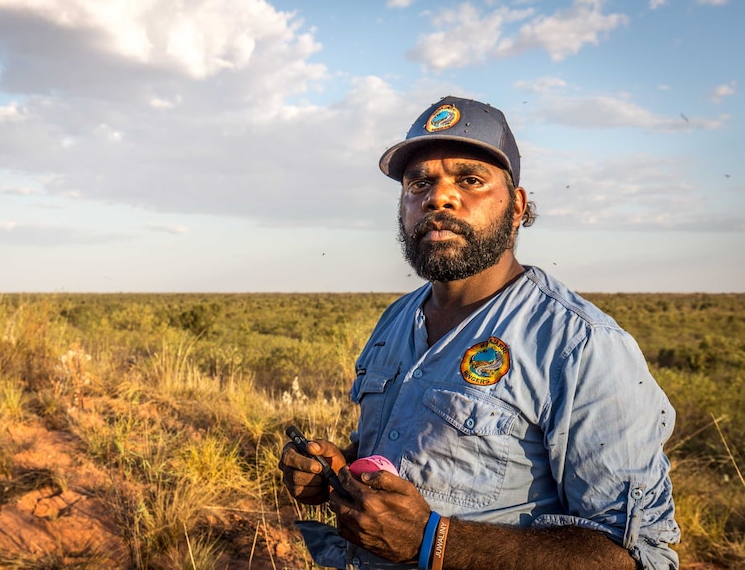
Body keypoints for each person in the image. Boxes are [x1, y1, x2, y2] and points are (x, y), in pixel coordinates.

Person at [279, 96, 680, 570]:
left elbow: (635, 557)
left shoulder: (582, 346)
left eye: (470, 180)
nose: (438, 197)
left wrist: (432, 541)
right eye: (419, 182)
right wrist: (341, 467)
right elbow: (410, 449)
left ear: (517, 206)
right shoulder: (397, 318)